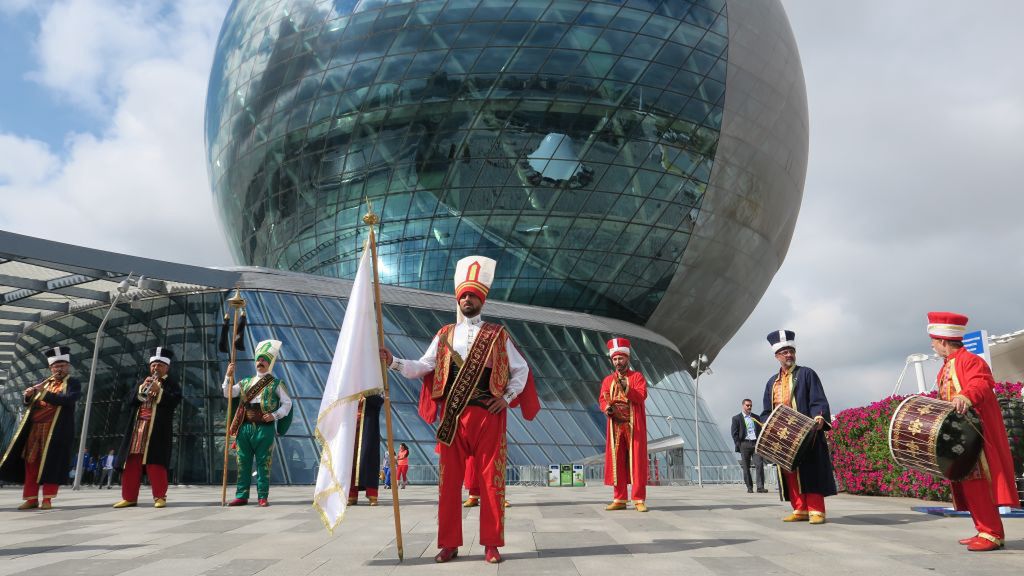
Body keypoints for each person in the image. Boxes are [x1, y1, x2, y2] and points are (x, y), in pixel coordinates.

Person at [380, 255, 539, 564]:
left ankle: (491, 544)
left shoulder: (497, 334)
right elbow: (424, 366)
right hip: (452, 418)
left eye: (473, 296)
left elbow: (521, 369)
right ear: (458, 299)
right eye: (464, 295)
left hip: (488, 416)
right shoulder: (444, 334)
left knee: (491, 481)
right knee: (449, 483)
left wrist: (507, 397)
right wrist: (394, 362)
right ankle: (449, 543)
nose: (468, 300)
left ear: (482, 300)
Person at [926, 312, 1020, 551]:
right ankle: (983, 530)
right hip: (960, 435)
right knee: (969, 483)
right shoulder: (947, 366)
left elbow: (981, 383)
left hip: (975, 435)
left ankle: (991, 534)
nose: (932, 346)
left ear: (943, 341)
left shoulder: (970, 361)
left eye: (934, 341)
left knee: (979, 483)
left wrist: (966, 396)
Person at [760, 330, 836, 524]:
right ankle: (799, 508)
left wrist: (819, 416)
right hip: (784, 436)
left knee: (811, 471)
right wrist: (767, 424)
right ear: (777, 356)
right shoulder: (771, 382)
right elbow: (767, 411)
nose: (789, 354)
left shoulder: (806, 374)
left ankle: (816, 510)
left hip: (807, 432)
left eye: (791, 351)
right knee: (790, 472)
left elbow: (818, 400)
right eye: (784, 352)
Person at [0, 346, 81, 510]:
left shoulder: (73, 383)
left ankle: (47, 499)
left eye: (62, 365)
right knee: (31, 463)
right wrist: (28, 396)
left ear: (68, 367)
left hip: (56, 430)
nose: (59, 369)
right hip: (35, 429)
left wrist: (44, 393)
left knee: (51, 463)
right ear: (51, 368)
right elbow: (30, 404)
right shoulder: (43, 383)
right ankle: (31, 499)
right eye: (56, 366)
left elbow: (68, 400)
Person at [223, 339, 293, 507]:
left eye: (263, 360)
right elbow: (227, 393)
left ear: (269, 363)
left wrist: (275, 415)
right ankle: (241, 496)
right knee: (243, 462)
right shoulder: (245, 382)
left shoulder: (276, 383)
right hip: (245, 427)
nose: (260, 362)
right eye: (258, 360)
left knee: (263, 462)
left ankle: (262, 496)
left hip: (264, 427)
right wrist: (228, 376)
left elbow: (287, 403)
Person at [113, 347, 182, 509]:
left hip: (157, 430)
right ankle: (129, 497)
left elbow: (174, 401)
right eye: (153, 365)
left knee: (155, 464)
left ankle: (160, 496)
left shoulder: (172, 384)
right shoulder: (142, 381)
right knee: (131, 463)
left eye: (159, 365)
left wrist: (160, 392)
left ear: (167, 367)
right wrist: (140, 390)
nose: (156, 368)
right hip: (137, 428)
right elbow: (128, 401)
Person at [599, 338, 649, 512]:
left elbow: (641, 396)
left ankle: (638, 499)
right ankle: (619, 498)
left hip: (634, 426)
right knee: (617, 462)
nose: (617, 362)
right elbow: (602, 399)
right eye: (614, 359)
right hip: (615, 426)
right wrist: (607, 408)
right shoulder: (607, 380)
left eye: (620, 358)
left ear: (627, 358)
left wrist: (626, 387)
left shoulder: (637, 377)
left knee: (637, 462)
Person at [347, 393, 384, 506]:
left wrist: (367, 395)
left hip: (367, 429)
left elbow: (380, 400)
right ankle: (351, 495)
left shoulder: (373, 387)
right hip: (351, 429)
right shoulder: (351, 389)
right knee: (351, 463)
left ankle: (372, 495)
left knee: (368, 461)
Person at [731, 398, 766, 493]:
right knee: (746, 467)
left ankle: (760, 487)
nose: (749, 407)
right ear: (743, 406)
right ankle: (749, 487)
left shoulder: (756, 417)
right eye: (747, 405)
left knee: (759, 464)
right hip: (744, 444)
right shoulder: (736, 418)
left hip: (756, 443)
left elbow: (760, 431)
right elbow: (734, 433)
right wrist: (739, 445)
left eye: (750, 405)